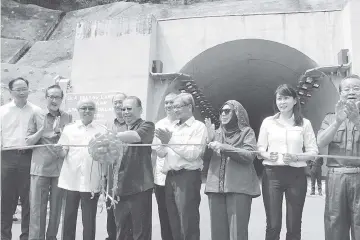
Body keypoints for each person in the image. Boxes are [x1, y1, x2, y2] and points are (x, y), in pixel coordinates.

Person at [257, 84, 318, 240]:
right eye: (279, 98)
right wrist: (266, 155)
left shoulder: (305, 124)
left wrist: (297, 157)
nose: (282, 102)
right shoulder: (268, 122)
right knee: (273, 224)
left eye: (286, 98)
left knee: (294, 225)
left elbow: (313, 152)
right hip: (272, 176)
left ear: (295, 100)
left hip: (296, 176)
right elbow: (260, 149)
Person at [204, 100, 261, 240]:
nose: (223, 113)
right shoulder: (215, 133)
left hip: (239, 188)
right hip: (215, 188)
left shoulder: (247, 132)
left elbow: (249, 155)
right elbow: (204, 159)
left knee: (237, 234)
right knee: (217, 234)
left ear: (237, 113)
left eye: (227, 111)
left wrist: (223, 147)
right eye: (221, 111)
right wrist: (208, 140)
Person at [155, 92, 208, 240]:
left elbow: (193, 154)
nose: (175, 110)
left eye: (178, 106)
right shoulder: (172, 127)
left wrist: (170, 141)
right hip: (169, 177)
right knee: (173, 221)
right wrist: (161, 144)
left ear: (189, 106)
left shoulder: (198, 127)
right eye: (173, 107)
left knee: (187, 220)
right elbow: (161, 153)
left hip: (187, 177)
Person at [26, 84, 72, 240]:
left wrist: (59, 132)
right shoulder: (36, 114)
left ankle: (51, 237)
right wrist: (43, 130)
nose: (54, 100)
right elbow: (28, 142)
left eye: (57, 97)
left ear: (61, 99)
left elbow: (69, 142)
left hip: (60, 168)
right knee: (37, 208)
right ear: (46, 98)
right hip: (40, 167)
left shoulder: (67, 117)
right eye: (51, 96)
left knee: (56, 208)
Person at [56, 99, 107, 240]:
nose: (87, 111)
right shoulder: (69, 129)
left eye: (90, 108)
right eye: (84, 108)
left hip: (91, 181)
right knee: (68, 218)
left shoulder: (102, 130)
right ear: (78, 111)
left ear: (94, 111)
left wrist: (103, 177)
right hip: (70, 180)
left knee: (89, 220)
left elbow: (105, 157)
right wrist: (57, 151)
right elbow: (62, 152)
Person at [317, 74, 360, 240]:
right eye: (347, 89)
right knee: (335, 223)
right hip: (337, 176)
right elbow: (320, 142)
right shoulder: (330, 117)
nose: (351, 92)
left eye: (356, 88)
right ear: (340, 93)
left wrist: (357, 120)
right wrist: (337, 122)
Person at [1, 77, 41, 240]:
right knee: (7, 200)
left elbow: (44, 132)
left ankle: (26, 236)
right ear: (10, 92)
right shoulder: (2, 111)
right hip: (7, 157)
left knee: (28, 200)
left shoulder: (36, 110)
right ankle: (4, 236)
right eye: (18, 89)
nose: (22, 92)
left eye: (25, 88)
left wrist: (35, 138)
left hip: (28, 157)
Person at [112, 96, 155, 240]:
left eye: (129, 108)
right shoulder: (121, 129)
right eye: (123, 109)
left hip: (140, 188)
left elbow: (135, 137)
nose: (125, 112)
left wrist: (111, 136)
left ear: (140, 110)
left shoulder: (147, 125)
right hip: (120, 189)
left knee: (140, 233)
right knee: (122, 232)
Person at [105, 93, 133, 240]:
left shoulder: (132, 124)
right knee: (111, 207)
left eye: (120, 102)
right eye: (115, 102)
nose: (118, 105)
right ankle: (112, 236)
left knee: (126, 209)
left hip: (128, 172)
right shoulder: (108, 124)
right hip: (110, 172)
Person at [152, 92, 178, 240]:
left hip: (178, 176)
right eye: (166, 103)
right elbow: (157, 152)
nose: (168, 105)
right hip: (161, 178)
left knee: (178, 216)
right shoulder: (160, 124)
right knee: (164, 215)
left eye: (172, 102)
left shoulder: (182, 124)